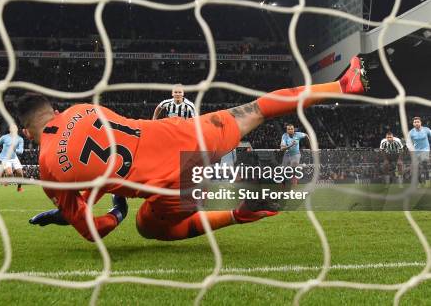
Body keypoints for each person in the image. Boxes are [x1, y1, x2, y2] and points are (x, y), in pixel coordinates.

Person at [23, 57, 367, 241]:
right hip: (187, 133)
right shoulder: (84, 108)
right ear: (54, 110)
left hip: (175, 184)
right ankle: (343, 83)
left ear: (26, 131)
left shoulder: (49, 167)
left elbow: (91, 230)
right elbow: (94, 157)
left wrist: (112, 213)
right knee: (259, 108)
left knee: (148, 227)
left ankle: (239, 212)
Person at [408, 117, 431, 184]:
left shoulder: (426, 130)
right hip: (416, 151)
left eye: (418, 122)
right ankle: (419, 180)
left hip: (425, 150)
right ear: (413, 124)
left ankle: (427, 179)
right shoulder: (411, 132)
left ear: (420, 123)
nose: (416, 123)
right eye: (415, 122)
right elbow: (408, 143)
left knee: (424, 163)